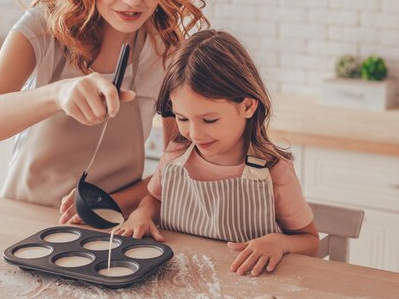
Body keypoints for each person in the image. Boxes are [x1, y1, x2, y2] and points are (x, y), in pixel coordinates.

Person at [0, 0, 212, 221]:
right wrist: (57, 94)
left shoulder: (163, 50)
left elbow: (179, 165)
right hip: (22, 222)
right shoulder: (42, 29)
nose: (134, 0)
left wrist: (114, 203)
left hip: (111, 229)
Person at [114, 30, 319, 276]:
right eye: (182, 118)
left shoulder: (273, 172)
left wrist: (281, 242)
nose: (195, 133)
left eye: (209, 120)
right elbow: (156, 199)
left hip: (247, 294)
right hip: (179, 285)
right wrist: (141, 214)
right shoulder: (175, 157)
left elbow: (310, 241)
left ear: (247, 106)